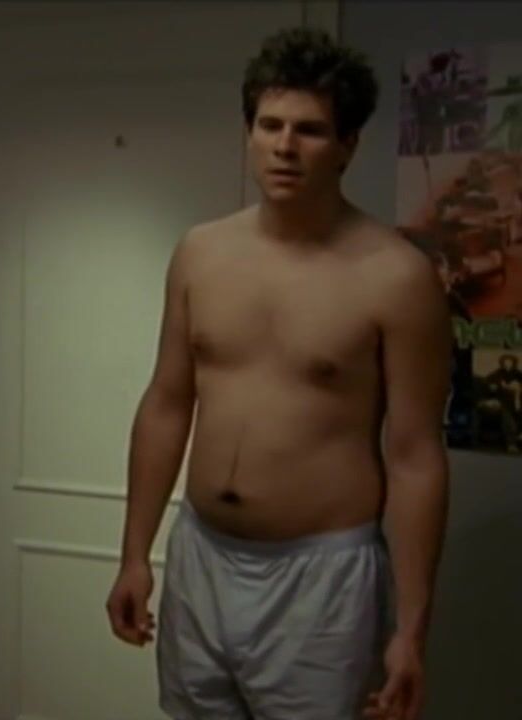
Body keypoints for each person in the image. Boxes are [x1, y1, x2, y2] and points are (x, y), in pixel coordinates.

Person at [105, 27, 451, 720]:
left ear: (347, 145)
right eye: (270, 125)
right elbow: (167, 403)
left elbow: (415, 456)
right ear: (250, 132)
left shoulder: (396, 277)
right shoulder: (201, 253)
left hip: (321, 580)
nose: (285, 147)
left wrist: (410, 631)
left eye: (310, 130)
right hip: (201, 555)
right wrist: (134, 554)